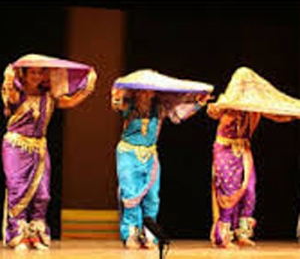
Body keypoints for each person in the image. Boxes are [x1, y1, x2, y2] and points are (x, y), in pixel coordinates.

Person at [1, 57, 97, 250]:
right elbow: (9, 94)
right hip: (16, 146)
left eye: (40, 72)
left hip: (40, 148)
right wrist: (9, 76)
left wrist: (89, 85)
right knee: (17, 189)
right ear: (25, 75)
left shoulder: (50, 96)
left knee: (42, 193)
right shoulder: (16, 94)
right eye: (32, 73)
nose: (36, 76)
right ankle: (18, 234)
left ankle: (36, 233)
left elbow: (71, 102)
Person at [112, 86, 212, 249]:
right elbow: (117, 105)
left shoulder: (160, 107)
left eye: (149, 91)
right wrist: (116, 95)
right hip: (128, 153)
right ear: (136, 92)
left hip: (151, 155)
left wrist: (198, 103)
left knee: (152, 197)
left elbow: (179, 114)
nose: (145, 94)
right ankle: (131, 234)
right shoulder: (128, 105)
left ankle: (150, 234)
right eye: (142, 91)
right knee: (130, 194)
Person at [208, 67, 295, 249]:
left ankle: (242, 233)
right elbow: (215, 113)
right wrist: (232, 109)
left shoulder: (254, 107)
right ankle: (222, 236)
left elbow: (276, 114)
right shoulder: (229, 106)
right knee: (230, 191)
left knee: (249, 190)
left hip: (244, 150)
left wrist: (293, 113)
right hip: (225, 149)